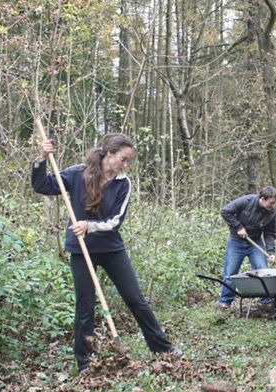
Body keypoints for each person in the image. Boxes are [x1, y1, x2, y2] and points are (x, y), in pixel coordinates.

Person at [31, 133, 177, 373]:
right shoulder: (78, 173)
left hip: (111, 248)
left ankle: (163, 348)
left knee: (135, 299)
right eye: (123, 159)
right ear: (109, 154)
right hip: (81, 249)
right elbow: (42, 185)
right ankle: (85, 363)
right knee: (85, 305)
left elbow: (115, 221)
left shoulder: (124, 183)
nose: (125, 164)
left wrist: (89, 225)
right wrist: (42, 158)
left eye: (128, 160)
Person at [218, 186, 276, 308]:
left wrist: (271, 251)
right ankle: (225, 302)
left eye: (274, 203)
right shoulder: (246, 201)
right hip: (236, 241)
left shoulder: (271, 212)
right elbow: (225, 211)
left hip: (255, 242)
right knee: (230, 273)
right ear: (262, 199)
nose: (273, 206)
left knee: (263, 271)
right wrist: (238, 227)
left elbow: (270, 233)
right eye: (271, 203)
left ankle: (265, 301)